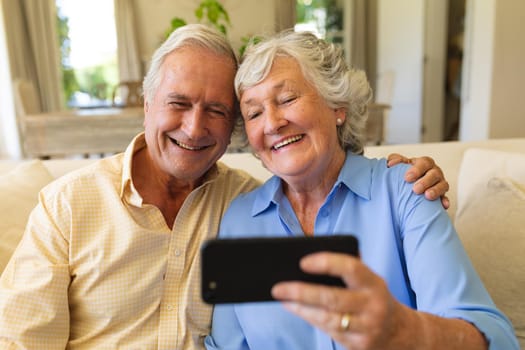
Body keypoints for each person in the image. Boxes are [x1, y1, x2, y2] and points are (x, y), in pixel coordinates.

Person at [0, 24, 447, 349]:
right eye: (178, 104)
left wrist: (402, 178)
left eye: (217, 110)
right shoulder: (68, 206)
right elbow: (21, 341)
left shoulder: (248, 208)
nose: (194, 129)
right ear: (147, 105)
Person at [205, 30, 519, 350]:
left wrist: (407, 331)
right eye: (254, 113)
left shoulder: (405, 190)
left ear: (337, 106)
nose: (271, 124)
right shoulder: (238, 221)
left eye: (287, 99)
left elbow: (498, 341)